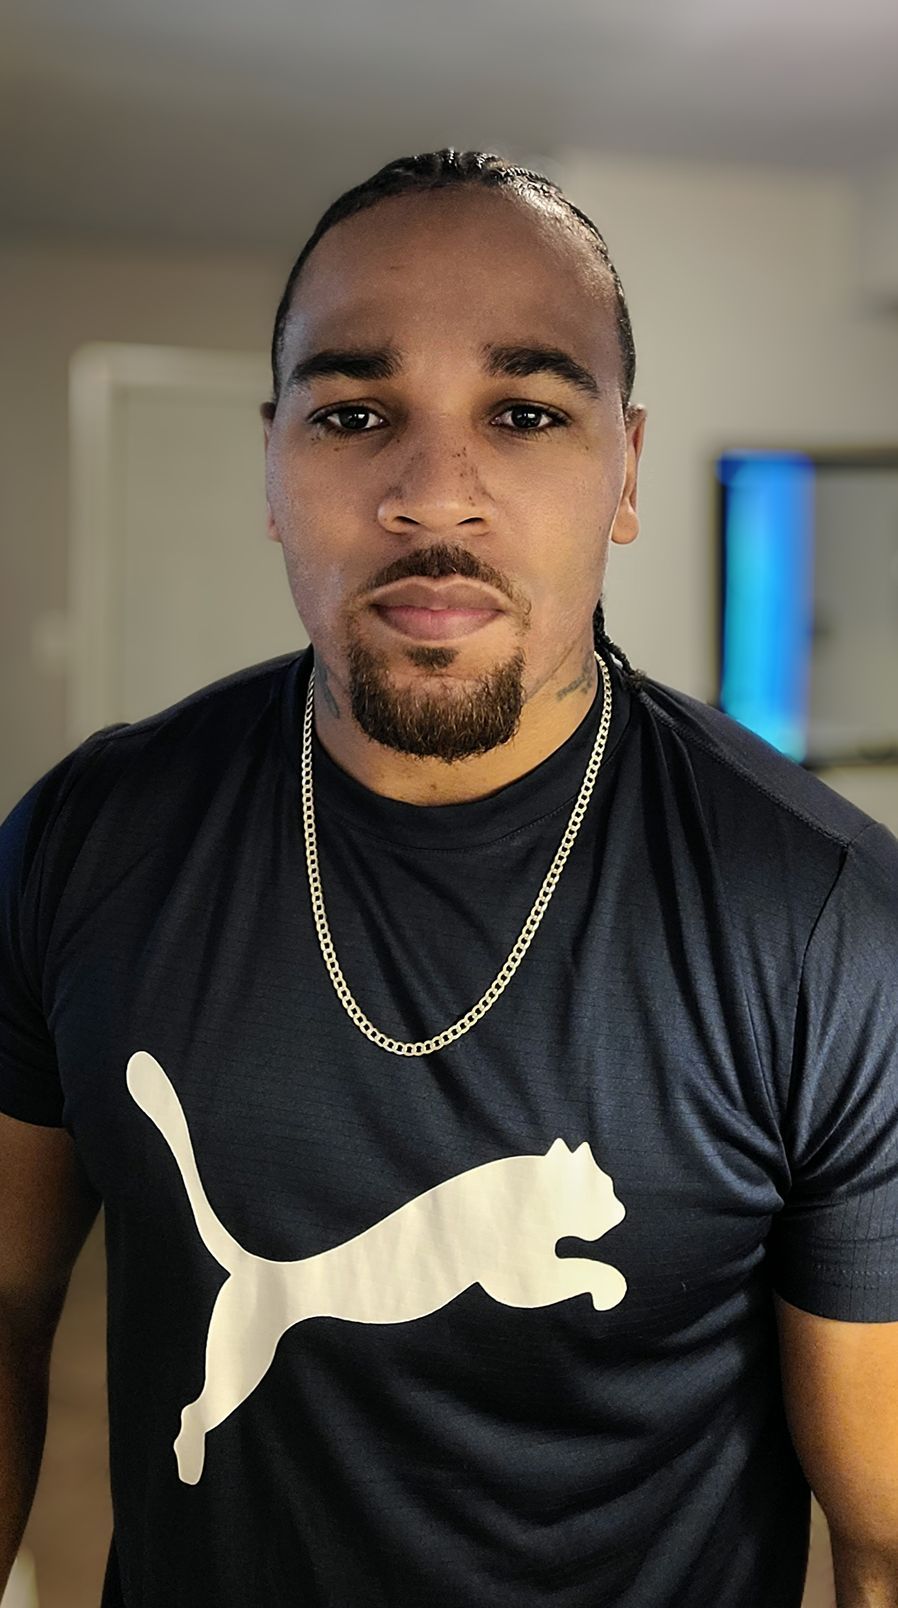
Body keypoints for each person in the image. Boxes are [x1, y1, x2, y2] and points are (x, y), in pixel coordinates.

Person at [1, 148, 897, 1608]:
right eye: (355, 413)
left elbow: (885, 1538)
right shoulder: (88, 838)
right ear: (272, 467)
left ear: (624, 472)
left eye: (526, 412)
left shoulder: (829, 922)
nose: (434, 495)